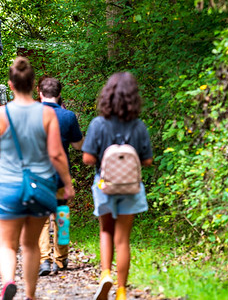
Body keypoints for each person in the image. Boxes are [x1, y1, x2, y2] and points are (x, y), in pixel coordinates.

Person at [0, 57, 75, 300]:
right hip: (41, 184)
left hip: (8, 184)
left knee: (7, 244)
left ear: (10, 85)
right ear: (34, 85)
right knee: (31, 245)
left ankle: (9, 281)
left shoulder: (1, 114)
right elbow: (56, 153)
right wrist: (68, 183)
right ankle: (30, 295)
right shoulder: (47, 115)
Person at [82, 72, 154, 300]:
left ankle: (105, 274)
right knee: (123, 238)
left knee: (106, 231)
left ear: (107, 96)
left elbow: (87, 158)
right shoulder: (139, 126)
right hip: (131, 188)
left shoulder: (98, 124)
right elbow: (148, 160)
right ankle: (122, 290)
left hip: (104, 186)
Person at [36, 77, 83, 277]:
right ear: (59, 93)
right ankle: (61, 260)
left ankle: (44, 259)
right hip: (61, 176)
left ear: (39, 93)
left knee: (41, 219)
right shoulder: (68, 116)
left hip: (37, 176)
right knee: (61, 216)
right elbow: (78, 146)